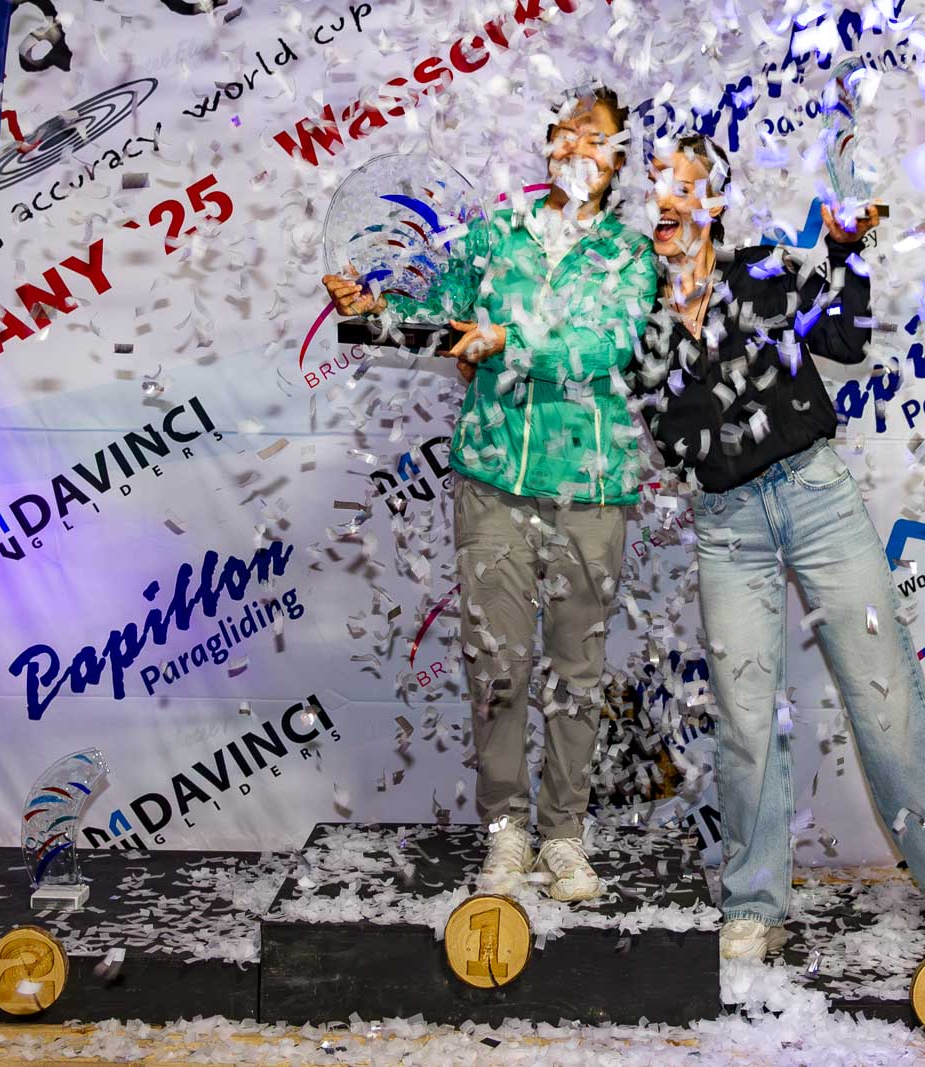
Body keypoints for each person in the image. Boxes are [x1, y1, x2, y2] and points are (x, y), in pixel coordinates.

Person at [631, 135, 925, 960]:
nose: (668, 197)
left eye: (686, 183)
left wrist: (845, 249)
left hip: (815, 496)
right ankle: (755, 899)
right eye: (657, 184)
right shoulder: (635, 314)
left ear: (714, 203)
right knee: (745, 713)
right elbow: (667, 433)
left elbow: (846, 341)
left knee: (879, 683)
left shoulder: (762, 269)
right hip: (726, 525)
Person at [322, 87, 656, 902]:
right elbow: (439, 314)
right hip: (493, 486)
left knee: (577, 674)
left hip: (592, 491)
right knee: (497, 669)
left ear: (618, 159)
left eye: (594, 135)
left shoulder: (630, 254)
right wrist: (376, 311)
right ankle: (506, 832)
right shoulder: (496, 234)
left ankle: (564, 835)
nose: (574, 144)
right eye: (564, 130)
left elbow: (607, 344)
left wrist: (509, 340)